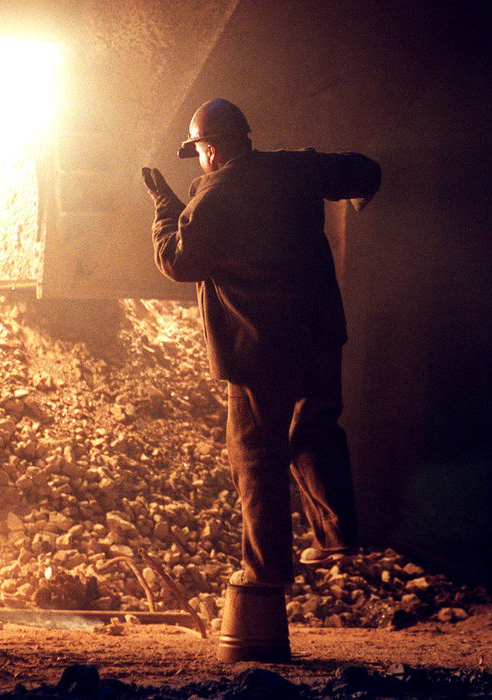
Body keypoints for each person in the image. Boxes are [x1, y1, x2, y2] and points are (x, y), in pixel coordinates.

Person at [143, 98, 381, 587]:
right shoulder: (295, 167)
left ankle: (267, 572)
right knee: (315, 429)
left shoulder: (213, 198)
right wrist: (360, 190)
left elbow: (179, 263)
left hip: (260, 349)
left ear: (207, 149)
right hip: (318, 336)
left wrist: (167, 211)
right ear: (245, 137)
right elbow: (361, 170)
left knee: (256, 455)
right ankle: (338, 535)